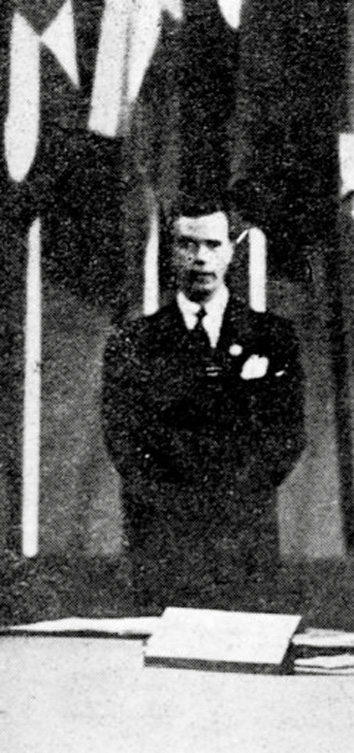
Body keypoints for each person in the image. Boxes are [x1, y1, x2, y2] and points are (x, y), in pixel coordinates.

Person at [101, 198, 306, 612]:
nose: (200, 258)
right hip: (163, 543)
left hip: (243, 540)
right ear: (170, 250)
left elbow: (286, 436)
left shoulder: (272, 337)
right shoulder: (133, 342)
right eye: (187, 244)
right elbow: (124, 442)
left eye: (213, 245)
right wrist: (181, 505)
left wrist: (230, 500)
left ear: (231, 250)